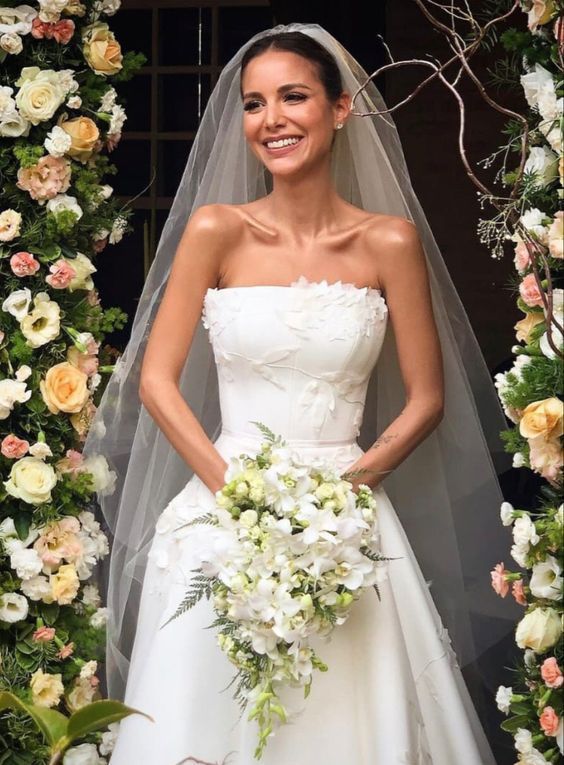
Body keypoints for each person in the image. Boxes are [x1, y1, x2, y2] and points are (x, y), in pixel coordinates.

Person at [84, 22, 520, 765]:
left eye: (293, 97)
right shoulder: (215, 229)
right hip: (222, 514)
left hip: (345, 519)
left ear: (341, 108)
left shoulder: (389, 242)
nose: (271, 120)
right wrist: (241, 501)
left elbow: (426, 398)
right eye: (254, 104)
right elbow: (155, 379)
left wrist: (341, 498)